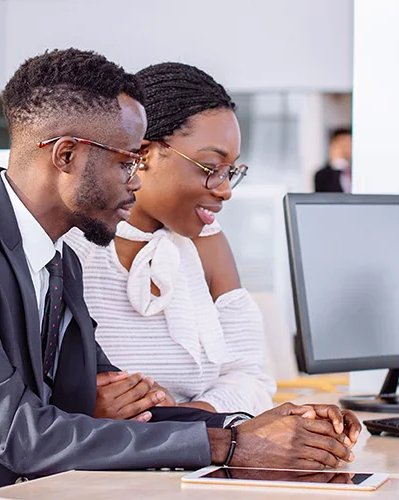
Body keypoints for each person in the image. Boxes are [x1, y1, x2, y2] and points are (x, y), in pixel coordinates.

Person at [0, 49, 362, 500]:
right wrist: (230, 446)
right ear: (68, 154)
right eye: (126, 160)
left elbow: (105, 404)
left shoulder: (58, 259)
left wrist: (258, 429)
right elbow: (20, 433)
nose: (135, 179)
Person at [64, 62, 273, 416]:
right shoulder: (69, 244)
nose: (224, 191)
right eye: (211, 168)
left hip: (194, 455)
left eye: (231, 172)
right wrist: (81, 403)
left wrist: (184, 420)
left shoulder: (205, 242)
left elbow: (251, 376)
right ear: (142, 156)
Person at [312, 127, 352, 193]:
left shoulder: (354, 172)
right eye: (343, 144)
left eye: (349, 144)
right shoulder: (322, 175)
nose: (347, 148)